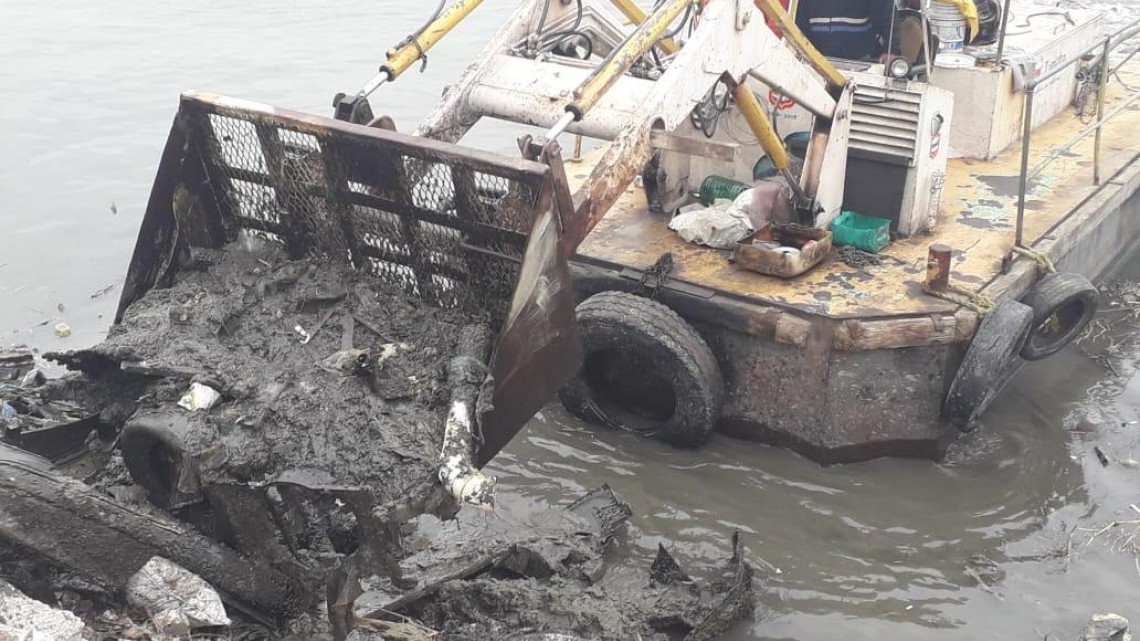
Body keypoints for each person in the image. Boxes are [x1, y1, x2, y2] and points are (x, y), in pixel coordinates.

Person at [794, 0, 896, 61]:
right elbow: (798, 24)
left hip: (860, 62)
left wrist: (891, 51)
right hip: (815, 63)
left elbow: (887, 17)